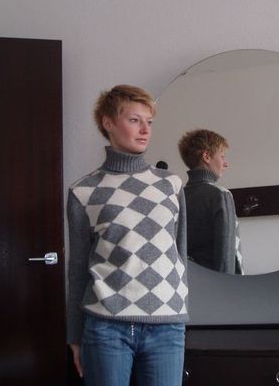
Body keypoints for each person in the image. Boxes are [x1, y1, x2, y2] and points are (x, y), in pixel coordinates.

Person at [67, 84, 189, 386]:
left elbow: (179, 254)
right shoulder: (84, 191)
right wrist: (74, 335)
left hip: (167, 326)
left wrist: (179, 309)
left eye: (149, 122)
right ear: (108, 123)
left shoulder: (171, 185)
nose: (145, 130)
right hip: (106, 327)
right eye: (135, 120)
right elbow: (78, 268)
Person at [178, 129, 243, 275]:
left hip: (189, 279)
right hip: (219, 282)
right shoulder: (221, 195)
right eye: (222, 156)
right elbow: (226, 254)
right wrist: (227, 283)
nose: (225, 164)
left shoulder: (178, 196)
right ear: (207, 156)